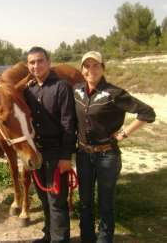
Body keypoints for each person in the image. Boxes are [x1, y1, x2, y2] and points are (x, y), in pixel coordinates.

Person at [74, 51, 156, 243]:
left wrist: (123, 134)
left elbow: (147, 113)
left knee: (105, 203)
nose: (91, 70)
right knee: (85, 202)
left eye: (96, 65)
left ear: (103, 68)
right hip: (84, 155)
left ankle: (104, 239)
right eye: (87, 66)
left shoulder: (114, 93)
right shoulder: (76, 90)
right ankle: (87, 238)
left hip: (107, 156)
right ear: (82, 69)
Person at [24, 47, 77, 243]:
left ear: (48, 62)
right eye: (31, 62)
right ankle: (48, 235)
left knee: (56, 201)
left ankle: (60, 239)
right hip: (37, 153)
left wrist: (65, 156)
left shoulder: (61, 87)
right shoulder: (28, 90)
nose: (36, 66)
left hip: (56, 152)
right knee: (43, 198)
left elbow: (68, 124)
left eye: (40, 61)